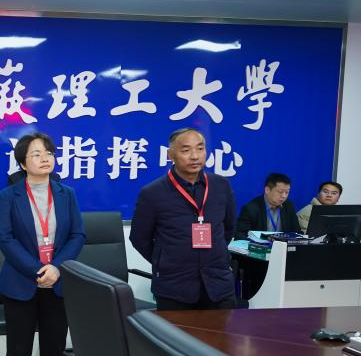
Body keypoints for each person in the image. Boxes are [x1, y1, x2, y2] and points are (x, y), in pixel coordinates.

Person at [0, 132, 85, 356]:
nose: (45, 158)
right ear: (22, 163)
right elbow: (5, 239)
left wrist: (56, 268)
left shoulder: (66, 193)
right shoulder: (8, 196)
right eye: (36, 154)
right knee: (17, 355)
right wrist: (38, 270)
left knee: (54, 353)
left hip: (57, 285)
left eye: (48, 152)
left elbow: (77, 235)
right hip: (21, 284)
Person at [129, 127, 237, 311]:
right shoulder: (153, 193)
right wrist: (164, 261)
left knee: (223, 331)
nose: (194, 156)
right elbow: (139, 238)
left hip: (218, 286)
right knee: (174, 331)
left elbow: (228, 229)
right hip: (174, 288)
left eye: (200, 149)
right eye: (186, 150)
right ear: (170, 155)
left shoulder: (221, 186)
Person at [234, 173, 301, 239]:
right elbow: (240, 235)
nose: (284, 196)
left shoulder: (288, 206)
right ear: (267, 190)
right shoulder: (251, 208)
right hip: (259, 245)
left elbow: (297, 232)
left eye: (287, 192)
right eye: (280, 192)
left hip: (283, 245)